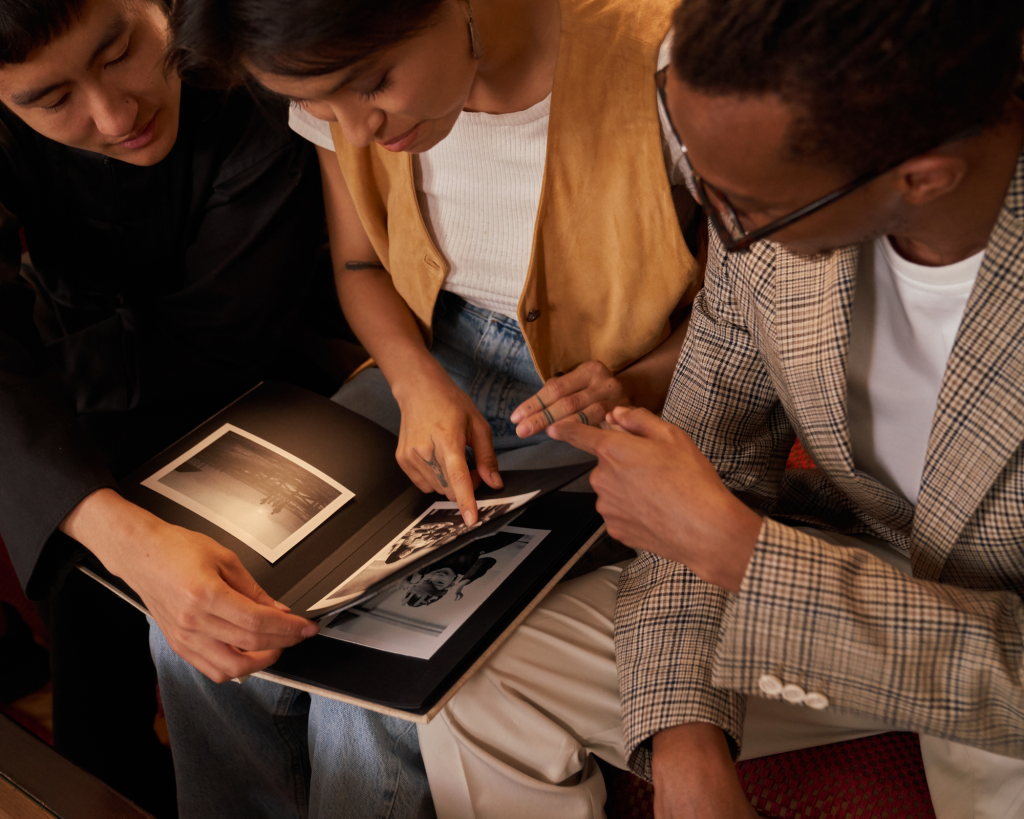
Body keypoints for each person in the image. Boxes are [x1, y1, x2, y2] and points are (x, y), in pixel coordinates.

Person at [411, 0, 1024, 817]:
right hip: (852, 568)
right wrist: (685, 735)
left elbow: (708, 524)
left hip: (1002, 663)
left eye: (746, 205)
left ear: (922, 174)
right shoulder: (762, 198)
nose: (723, 228)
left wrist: (736, 550)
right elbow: (704, 470)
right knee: (477, 679)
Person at [150, 0, 702, 815]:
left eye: (372, 83)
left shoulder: (659, 54)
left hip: (613, 403)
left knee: (368, 688)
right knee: (196, 625)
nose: (356, 130)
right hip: (428, 367)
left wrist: (644, 379)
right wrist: (415, 381)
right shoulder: (336, 100)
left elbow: (750, 303)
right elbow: (359, 265)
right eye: (316, 105)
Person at [0, 0, 342, 812]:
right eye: (52, 99)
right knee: (91, 707)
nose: (116, 114)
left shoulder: (254, 62)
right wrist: (112, 527)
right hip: (76, 413)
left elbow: (222, 333)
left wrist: (46, 379)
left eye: (120, 50)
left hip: (270, 384)